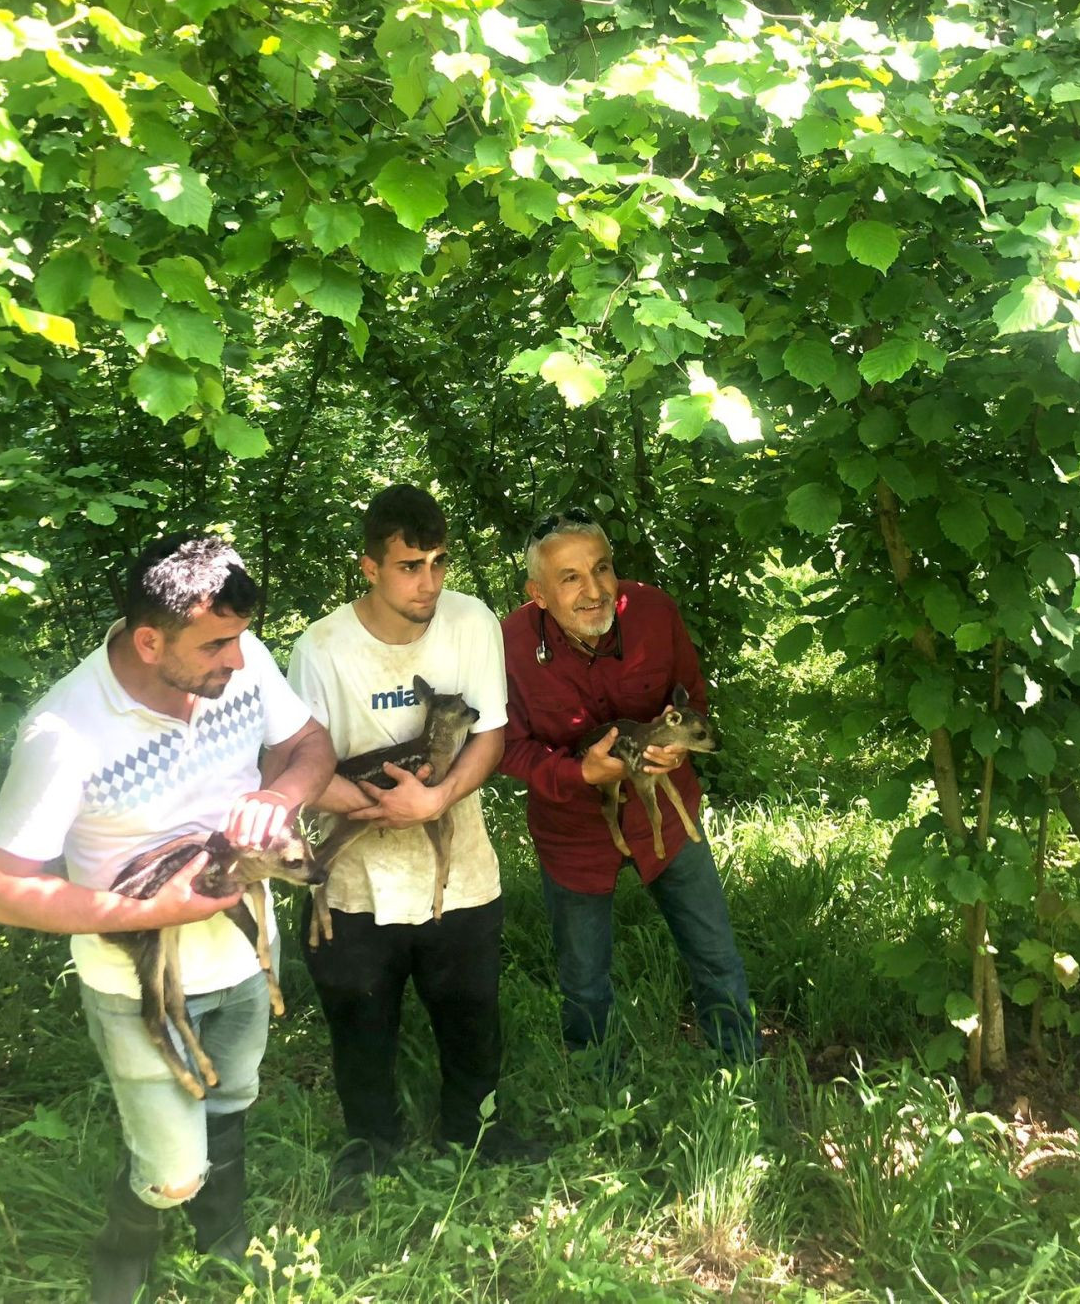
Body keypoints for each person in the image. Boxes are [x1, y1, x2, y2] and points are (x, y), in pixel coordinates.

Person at [0, 535, 335, 1304]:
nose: (237, 661)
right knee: (172, 1169)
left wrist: (279, 797)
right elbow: (6, 889)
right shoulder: (64, 733)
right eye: (216, 644)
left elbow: (311, 744)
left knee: (232, 1099)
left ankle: (226, 1244)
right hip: (134, 979)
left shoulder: (237, 658)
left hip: (244, 958)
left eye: (240, 638)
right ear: (149, 640)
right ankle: (125, 1246)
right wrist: (151, 908)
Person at [288, 484, 538, 1183]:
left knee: (471, 1011)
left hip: (455, 862)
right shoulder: (322, 647)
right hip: (354, 874)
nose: (428, 581)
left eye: (437, 561)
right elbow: (294, 756)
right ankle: (369, 1149)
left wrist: (434, 800)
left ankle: (475, 1133)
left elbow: (490, 731)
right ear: (369, 567)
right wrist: (368, 804)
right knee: (360, 1019)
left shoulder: (471, 621)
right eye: (408, 565)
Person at [500, 509, 757, 1065]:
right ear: (538, 593)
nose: (593, 590)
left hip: (665, 813)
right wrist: (580, 774)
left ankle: (740, 1068)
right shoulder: (510, 646)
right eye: (570, 578)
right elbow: (507, 748)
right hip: (572, 833)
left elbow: (692, 699)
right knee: (584, 976)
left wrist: (672, 751)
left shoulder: (654, 611)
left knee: (714, 952)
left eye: (602, 569)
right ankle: (597, 1091)